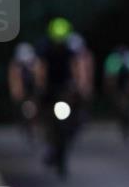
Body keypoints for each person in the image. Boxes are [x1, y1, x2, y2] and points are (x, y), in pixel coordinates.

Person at [36, 18, 92, 177]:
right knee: (45, 116)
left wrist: (80, 86)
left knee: (71, 117)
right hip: (49, 89)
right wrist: (40, 86)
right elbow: (40, 69)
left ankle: (71, 132)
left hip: (65, 89)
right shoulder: (44, 48)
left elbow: (78, 67)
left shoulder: (70, 50)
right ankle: (48, 141)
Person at [7, 42, 42, 142]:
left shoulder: (36, 63)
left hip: (33, 91)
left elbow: (40, 79)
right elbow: (14, 81)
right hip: (23, 92)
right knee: (21, 107)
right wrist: (16, 93)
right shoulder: (15, 66)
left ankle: (38, 124)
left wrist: (40, 90)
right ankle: (23, 124)